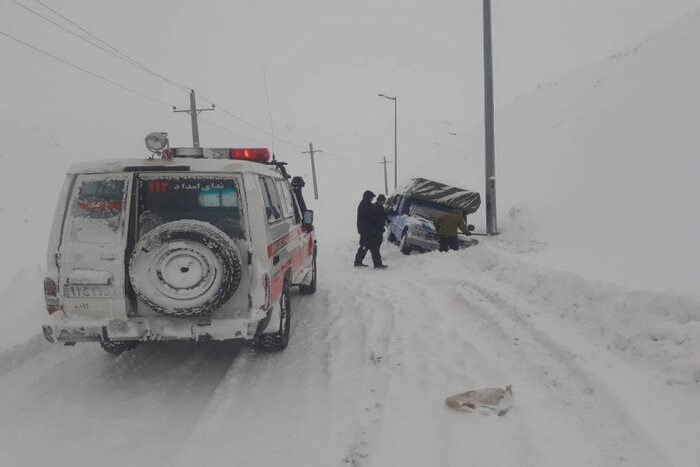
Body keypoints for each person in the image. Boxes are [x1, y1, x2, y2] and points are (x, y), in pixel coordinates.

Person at [354, 190, 386, 269]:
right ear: (368, 197)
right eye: (371, 197)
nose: (372, 199)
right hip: (366, 230)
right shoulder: (365, 205)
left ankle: (360, 262)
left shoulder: (367, 204)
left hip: (367, 230)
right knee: (368, 246)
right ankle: (376, 264)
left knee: (368, 246)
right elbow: (369, 217)